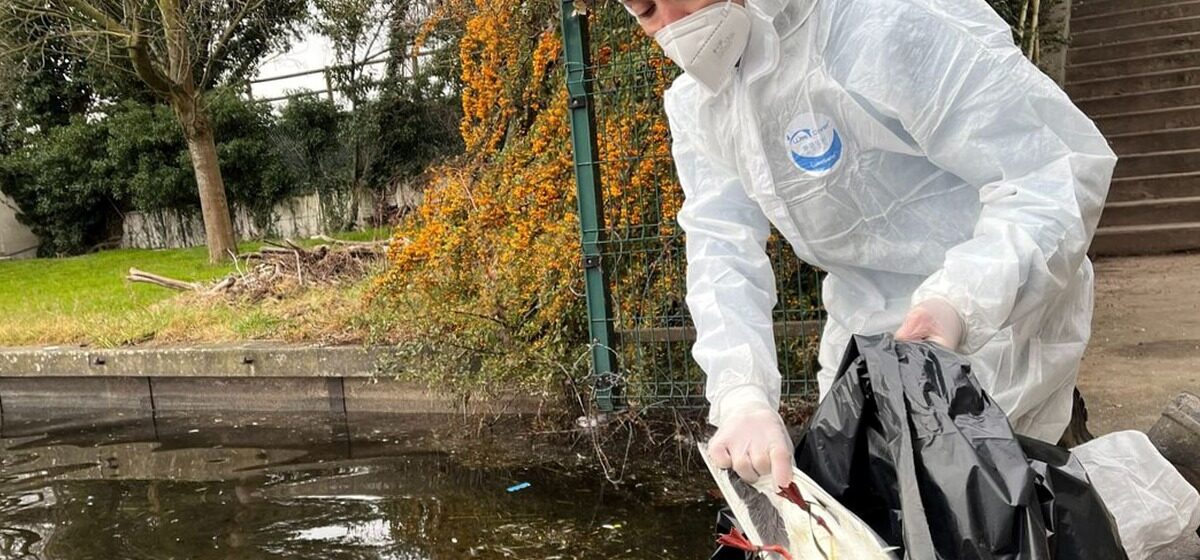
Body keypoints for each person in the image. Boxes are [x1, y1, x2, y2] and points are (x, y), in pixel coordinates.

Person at [622, 0, 1115, 491]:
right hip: (863, 339)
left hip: (999, 323)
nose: (674, 25)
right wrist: (742, 394)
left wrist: (959, 303)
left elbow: (1051, 172)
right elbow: (721, 248)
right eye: (645, 10)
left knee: (1012, 506)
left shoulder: (885, 19)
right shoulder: (701, 105)